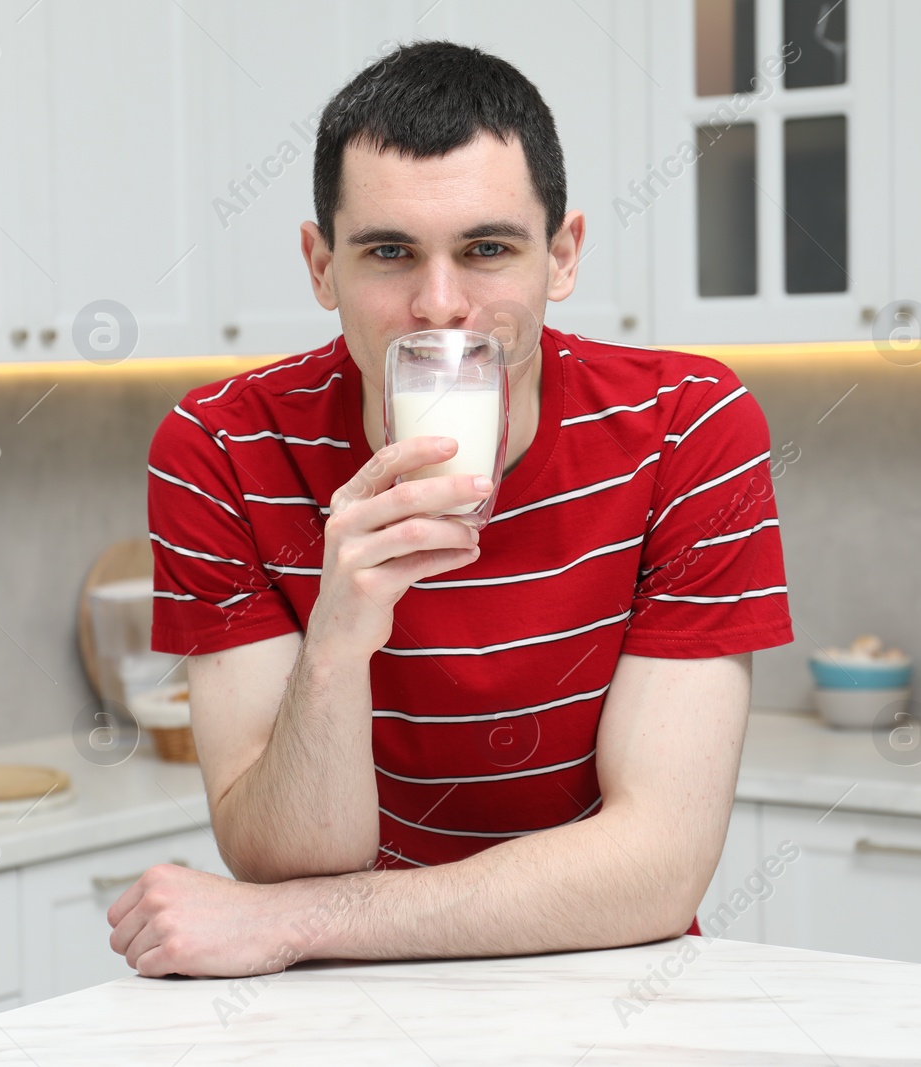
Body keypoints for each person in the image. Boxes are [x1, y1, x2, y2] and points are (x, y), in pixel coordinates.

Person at [108, 39, 793, 980]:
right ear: (320, 267)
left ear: (561, 256)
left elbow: (657, 870)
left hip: (600, 977)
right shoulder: (219, 448)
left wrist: (294, 922)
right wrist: (339, 643)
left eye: (487, 249)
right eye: (389, 252)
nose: (440, 306)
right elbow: (283, 857)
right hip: (337, 1003)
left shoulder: (687, 428)